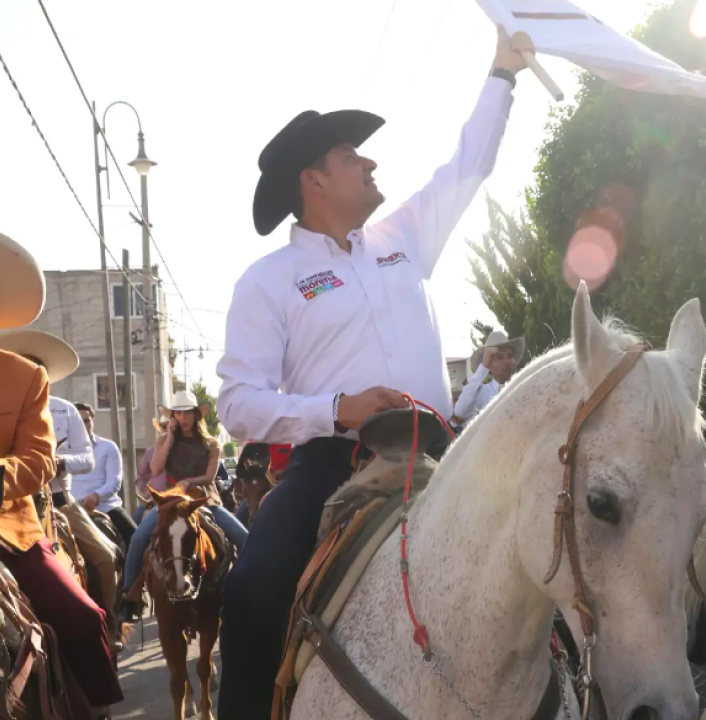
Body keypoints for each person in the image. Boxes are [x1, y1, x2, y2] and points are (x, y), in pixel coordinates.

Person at [214, 27, 532, 719]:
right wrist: (337, 409)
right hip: (334, 463)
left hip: (448, 457)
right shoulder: (268, 280)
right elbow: (237, 403)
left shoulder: (402, 240)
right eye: (350, 154)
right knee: (254, 588)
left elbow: (467, 164)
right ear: (313, 179)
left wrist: (503, 72)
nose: (368, 161)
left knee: (548, 553)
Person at [0, 223, 122, 715]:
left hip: (2, 527)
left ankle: (92, 709)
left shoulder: (23, 376)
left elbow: (38, 460)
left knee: (80, 616)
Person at [0, 327, 126, 653]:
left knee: (104, 556)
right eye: (20, 367)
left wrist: (60, 462)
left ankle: (111, 625)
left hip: (58, 502)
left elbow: (87, 458)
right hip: (5, 506)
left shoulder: (65, 410)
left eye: (34, 369)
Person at [117, 391, 249, 622]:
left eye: (187, 412)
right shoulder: (163, 440)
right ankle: (129, 597)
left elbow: (209, 477)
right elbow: (156, 469)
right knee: (138, 537)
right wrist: (168, 438)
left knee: (244, 537)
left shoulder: (211, 444)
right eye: (178, 412)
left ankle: (248, 590)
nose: (182, 417)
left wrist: (190, 481)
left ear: (196, 415)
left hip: (204, 499)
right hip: (172, 500)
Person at [73, 402, 137, 548]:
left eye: (87, 420)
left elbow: (114, 482)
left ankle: (134, 571)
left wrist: (96, 495)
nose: (83, 425)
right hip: (72, 510)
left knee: (137, 539)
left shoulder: (108, 447)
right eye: (78, 421)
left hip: (105, 507)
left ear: (92, 421)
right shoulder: (61, 450)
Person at [452, 330, 524, 427]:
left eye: (510, 356)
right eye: (499, 357)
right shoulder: (480, 394)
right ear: (488, 365)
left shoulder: (524, 389)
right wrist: (484, 366)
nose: (507, 361)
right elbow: (460, 411)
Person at [134, 416, 168, 523]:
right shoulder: (150, 452)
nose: (165, 429)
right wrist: (146, 490)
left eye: (168, 426)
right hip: (154, 501)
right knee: (132, 532)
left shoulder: (183, 450)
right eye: (163, 426)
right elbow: (141, 475)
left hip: (179, 499)